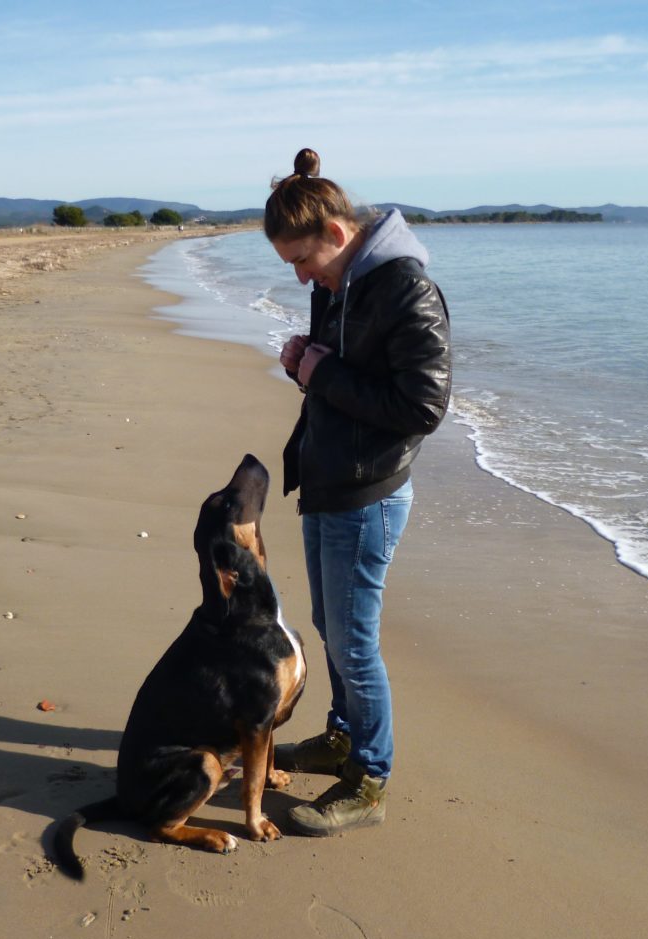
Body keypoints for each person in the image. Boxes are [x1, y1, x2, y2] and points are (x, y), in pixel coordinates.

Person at [264, 148, 452, 837]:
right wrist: (304, 365)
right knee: (331, 628)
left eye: (302, 260)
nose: (300, 274)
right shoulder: (338, 285)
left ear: (338, 236)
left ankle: (369, 780)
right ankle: (341, 738)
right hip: (326, 475)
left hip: (367, 492)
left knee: (354, 642)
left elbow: (423, 407)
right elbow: (340, 373)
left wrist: (321, 372)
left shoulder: (405, 289)